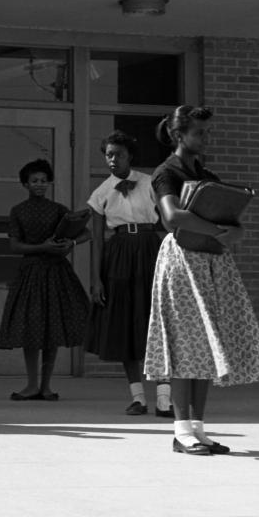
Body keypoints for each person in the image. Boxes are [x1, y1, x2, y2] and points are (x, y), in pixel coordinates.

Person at [144, 106, 259, 456]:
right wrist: (219, 230)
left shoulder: (205, 174)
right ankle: (181, 430)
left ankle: (197, 429)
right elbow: (172, 217)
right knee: (186, 345)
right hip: (182, 262)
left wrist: (235, 230)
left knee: (204, 344)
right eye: (200, 132)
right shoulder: (165, 172)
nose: (206, 138)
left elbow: (230, 219)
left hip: (209, 261)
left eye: (208, 132)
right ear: (178, 135)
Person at [85, 133, 169, 415]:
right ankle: (138, 397)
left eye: (118, 154)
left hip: (149, 249)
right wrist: (96, 279)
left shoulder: (149, 183)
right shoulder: (100, 193)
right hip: (118, 255)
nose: (113, 159)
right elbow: (97, 239)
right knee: (124, 323)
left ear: (129, 156)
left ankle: (164, 397)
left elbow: (169, 220)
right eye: (108, 154)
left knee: (156, 321)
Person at [0, 158, 90, 402]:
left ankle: (46, 386)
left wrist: (71, 242)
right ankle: (31, 384)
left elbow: (85, 232)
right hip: (31, 272)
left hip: (57, 271)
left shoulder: (59, 209)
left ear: (49, 182)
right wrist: (42, 246)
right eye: (34, 181)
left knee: (52, 328)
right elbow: (15, 245)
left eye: (43, 180)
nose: (39, 185)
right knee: (31, 329)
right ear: (25, 184)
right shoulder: (18, 210)